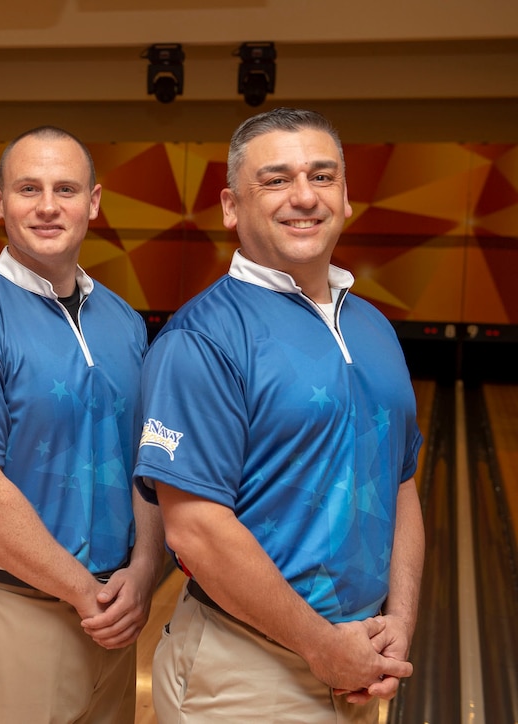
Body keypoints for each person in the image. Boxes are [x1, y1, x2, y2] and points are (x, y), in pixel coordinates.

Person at [135, 107, 425, 723]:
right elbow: (195, 529)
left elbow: (401, 484)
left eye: (322, 176)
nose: (304, 196)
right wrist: (324, 647)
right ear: (231, 206)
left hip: (357, 663)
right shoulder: (203, 339)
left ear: (346, 198)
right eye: (275, 179)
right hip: (244, 675)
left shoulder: (374, 328)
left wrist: (398, 619)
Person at [0, 125, 164, 724]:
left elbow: (148, 462)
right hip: (10, 611)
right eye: (29, 189)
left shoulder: (123, 322)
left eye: (66, 189)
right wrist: (84, 592)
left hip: (114, 609)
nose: (48, 206)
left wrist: (144, 572)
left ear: (93, 203)